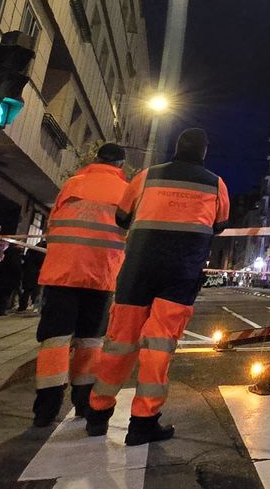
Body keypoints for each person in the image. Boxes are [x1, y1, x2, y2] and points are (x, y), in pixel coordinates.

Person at [85, 129, 229, 445]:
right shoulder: (216, 184)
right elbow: (219, 224)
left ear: (176, 148)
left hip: (138, 269)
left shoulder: (147, 177)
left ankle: (97, 413)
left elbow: (122, 215)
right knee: (159, 346)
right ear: (204, 152)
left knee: (120, 341)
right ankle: (143, 422)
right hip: (181, 273)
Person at [30, 143, 130, 427]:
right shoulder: (125, 191)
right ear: (120, 165)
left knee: (55, 341)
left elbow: (53, 226)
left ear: (95, 159)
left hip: (62, 274)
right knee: (91, 341)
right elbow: (128, 232)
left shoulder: (73, 183)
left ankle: (45, 409)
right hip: (100, 276)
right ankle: (84, 402)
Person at [0, 243, 25, 316]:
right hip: (10, 277)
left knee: (0, 294)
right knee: (5, 294)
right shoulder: (15, 255)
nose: (22, 246)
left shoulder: (6, 253)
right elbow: (16, 267)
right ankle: (0, 311)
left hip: (3, 277)